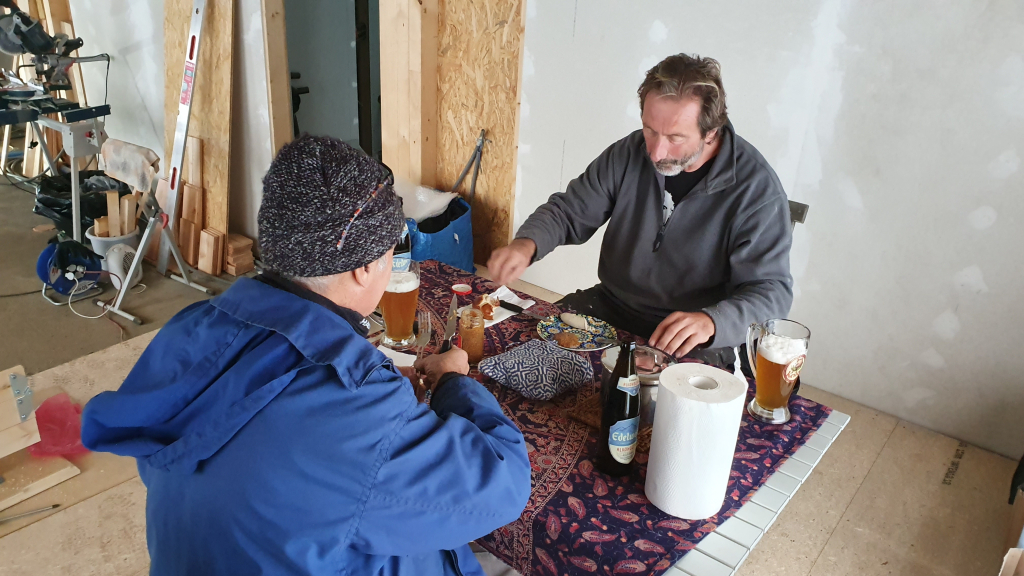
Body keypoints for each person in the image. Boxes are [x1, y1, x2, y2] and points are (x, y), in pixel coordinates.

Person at [80, 136, 532, 576]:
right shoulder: (352, 407)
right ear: (364, 268)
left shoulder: (190, 327)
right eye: (393, 248)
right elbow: (503, 485)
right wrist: (455, 381)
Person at [488, 53, 793, 366]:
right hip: (615, 305)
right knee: (531, 350)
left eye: (675, 137)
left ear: (711, 131)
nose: (657, 152)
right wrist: (527, 244)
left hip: (695, 332)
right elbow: (569, 211)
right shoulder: (628, 153)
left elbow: (771, 292)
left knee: (659, 406)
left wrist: (712, 322)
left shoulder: (758, 190)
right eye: (650, 130)